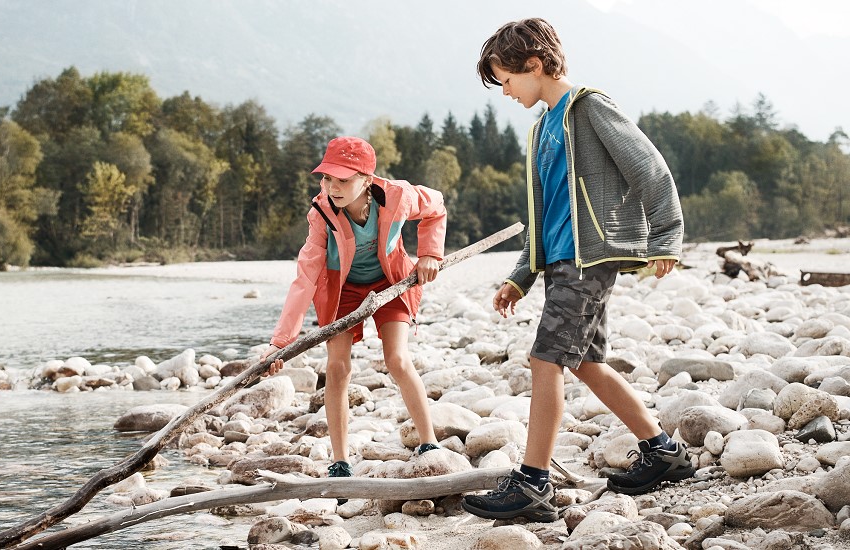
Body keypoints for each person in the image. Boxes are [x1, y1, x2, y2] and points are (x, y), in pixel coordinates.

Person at [460, 18, 689, 522]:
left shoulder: (588, 108)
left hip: (591, 260)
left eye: (507, 81)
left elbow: (649, 169)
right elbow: (544, 215)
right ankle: (663, 451)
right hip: (564, 260)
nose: (506, 92)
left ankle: (533, 484)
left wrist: (666, 236)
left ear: (535, 66)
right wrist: (520, 274)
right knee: (585, 362)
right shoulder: (544, 126)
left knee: (546, 360)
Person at [262, 136, 448, 495]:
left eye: (343, 180)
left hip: (390, 281)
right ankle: (340, 461)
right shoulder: (321, 215)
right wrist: (280, 344)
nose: (333, 187)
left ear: (366, 179)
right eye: (327, 178)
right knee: (337, 367)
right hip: (342, 291)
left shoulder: (398, 196)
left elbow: (436, 206)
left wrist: (430, 253)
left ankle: (429, 443)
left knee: (396, 359)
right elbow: (305, 278)